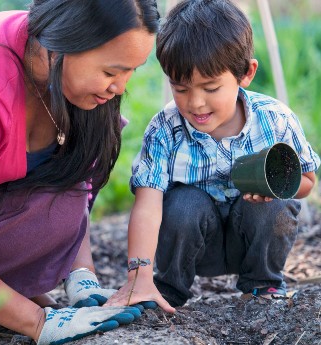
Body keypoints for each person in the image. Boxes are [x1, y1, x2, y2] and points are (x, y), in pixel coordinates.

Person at [105, 0, 320, 312]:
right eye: (180, 89)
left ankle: (263, 286)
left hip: (251, 238)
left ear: (246, 73)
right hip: (192, 242)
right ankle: (167, 289)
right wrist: (138, 274)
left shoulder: (275, 120)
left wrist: (274, 185)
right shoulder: (166, 129)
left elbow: (307, 181)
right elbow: (148, 205)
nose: (196, 103)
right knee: (182, 202)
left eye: (210, 88)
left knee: (277, 205)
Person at [0, 0, 160, 343]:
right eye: (111, 72)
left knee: (57, 207)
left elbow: (73, 189)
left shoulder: (72, 86)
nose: (120, 87)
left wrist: (82, 276)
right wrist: (37, 322)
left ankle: (2, 301)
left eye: (131, 70)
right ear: (61, 46)